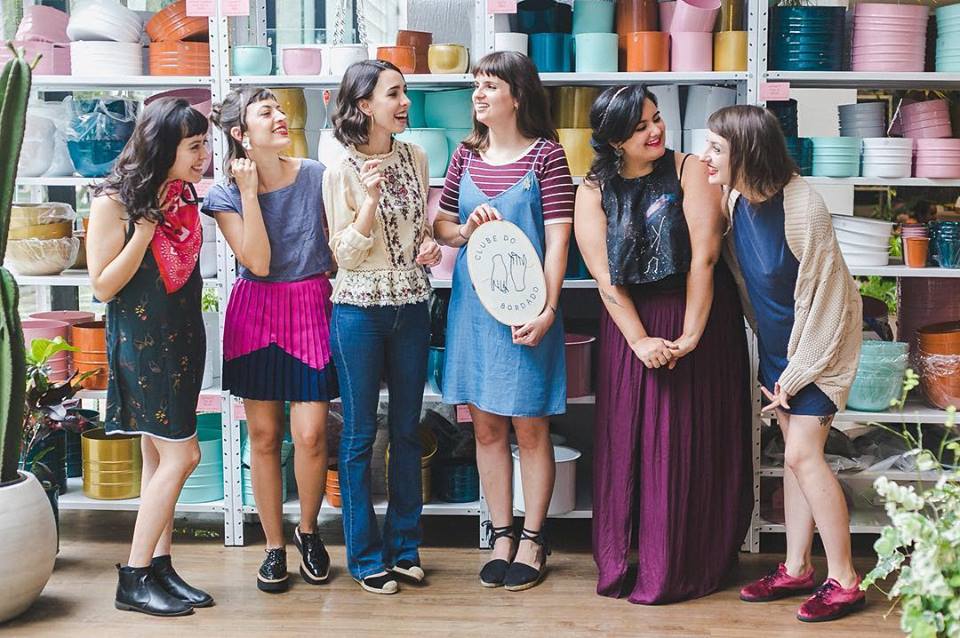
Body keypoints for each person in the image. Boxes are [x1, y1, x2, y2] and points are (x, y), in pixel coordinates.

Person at [573, 85, 753, 604]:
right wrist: (640, 339)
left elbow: (704, 257)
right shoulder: (592, 189)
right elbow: (607, 281)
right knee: (633, 439)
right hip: (631, 323)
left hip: (698, 314)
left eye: (655, 119)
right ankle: (627, 557)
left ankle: (685, 558)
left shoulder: (689, 168)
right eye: (639, 127)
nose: (655, 131)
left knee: (687, 438)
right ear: (612, 141)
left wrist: (691, 334)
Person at [703, 104, 865, 623]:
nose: (705, 155)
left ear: (746, 154)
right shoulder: (735, 199)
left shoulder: (804, 206)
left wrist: (795, 375)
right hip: (779, 350)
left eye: (716, 148)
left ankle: (845, 579)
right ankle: (797, 567)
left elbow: (830, 305)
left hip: (821, 351)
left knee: (802, 456)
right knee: (794, 459)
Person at [433, 51, 573, 592]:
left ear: (517, 94)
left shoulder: (547, 157)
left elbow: (559, 240)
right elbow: (442, 229)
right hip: (474, 311)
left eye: (490, 85)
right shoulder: (464, 158)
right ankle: (501, 533)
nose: (479, 95)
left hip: (528, 312)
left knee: (531, 426)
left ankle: (535, 539)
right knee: (486, 427)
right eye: (476, 86)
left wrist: (548, 310)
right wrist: (464, 229)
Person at [204, 87, 338, 593]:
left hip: (309, 307)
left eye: (280, 110)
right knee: (262, 438)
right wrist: (248, 194)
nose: (281, 117)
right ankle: (273, 546)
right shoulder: (223, 195)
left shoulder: (315, 176)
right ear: (241, 134)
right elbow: (256, 262)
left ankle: (309, 533)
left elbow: (334, 249)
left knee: (309, 435)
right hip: (255, 312)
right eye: (267, 113)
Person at [88, 97, 213, 616]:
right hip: (143, 345)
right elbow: (102, 286)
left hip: (181, 336)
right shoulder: (113, 202)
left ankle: (160, 567)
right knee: (185, 455)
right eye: (194, 146)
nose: (204, 155)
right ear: (163, 147)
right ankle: (134, 576)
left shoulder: (180, 192)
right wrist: (143, 231)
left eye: (205, 144)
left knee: (158, 455)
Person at [323, 60, 441, 595]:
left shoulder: (415, 157)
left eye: (405, 92)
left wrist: (430, 246)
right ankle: (366, 557)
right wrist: (369, 202)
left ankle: (406, 548)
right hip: (358, 314)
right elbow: (344, 254)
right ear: (364, 105)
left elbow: (421, 228)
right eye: (394, 94)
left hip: (413, 305)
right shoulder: (339, 169)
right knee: (359, 436)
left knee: (410, 430)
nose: (404, 102)